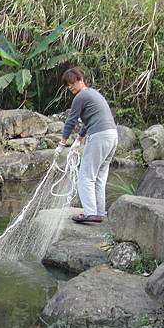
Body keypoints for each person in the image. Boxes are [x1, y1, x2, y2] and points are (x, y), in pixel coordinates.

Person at [55, 67, 118, 224]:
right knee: (99, 178)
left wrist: (62, 143)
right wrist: (79, 138)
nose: (70, 87)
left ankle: (90, 213)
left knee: (85, 177)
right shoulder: (93, 94)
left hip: (100, 136)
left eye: (72, 83)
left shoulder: (81, 96)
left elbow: (71, 120)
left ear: (80, 80)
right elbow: (89, 120)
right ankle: (99, 212)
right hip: (112, 135)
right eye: (68, 85)